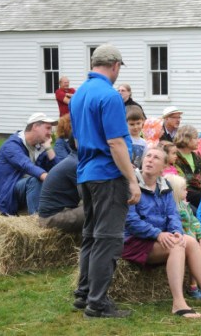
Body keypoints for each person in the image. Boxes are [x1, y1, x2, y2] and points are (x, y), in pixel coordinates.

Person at [69, 43, 141, 318]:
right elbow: (116, 143)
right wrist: (132, 180)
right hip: (107, 174)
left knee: (90, 235)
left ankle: (83, 294)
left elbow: (76, 139)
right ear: (115, 66)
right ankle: (97, 304)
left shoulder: (78, 94)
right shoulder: (110, 96)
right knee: (108, 239)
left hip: (85, 172)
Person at [122, 147, 201, 318]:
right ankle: (178, 303)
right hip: (134, 240)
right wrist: (158, 234)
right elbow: (131, 221)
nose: (149, 160)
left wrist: (176, 231)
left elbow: (173, 214)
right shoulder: (131, 184)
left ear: (163, 166)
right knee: (177, 246)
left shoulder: (165, 185)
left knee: (190, 241)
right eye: (148, 156)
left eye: (156, 158)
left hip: (159, 238)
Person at [0, 112, 60, 215]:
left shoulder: (38, 147)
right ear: (35, 126)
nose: (50, 133)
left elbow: (58, 169)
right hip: (3, 197)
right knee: (36, 180)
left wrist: (48, 147)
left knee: (41, 180)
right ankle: (37, 221)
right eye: (47, 128)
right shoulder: (11, 146)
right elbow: (26, 165)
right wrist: (48, 178)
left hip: (20, 192)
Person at [166, 174, 201, 300]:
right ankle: (193, 286)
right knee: (199, 255)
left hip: (194, 240)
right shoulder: (172, 209)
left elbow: (195, 222)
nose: (187, 191)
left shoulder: (186, 206)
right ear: (175, 191)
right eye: (184, 189)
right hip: (183, 242)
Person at [38, 139, 83, 233]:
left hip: (58, 213)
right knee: (96, 209)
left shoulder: (73, 160)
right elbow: (89, 195)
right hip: (50, 219)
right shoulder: (75, 164)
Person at [173, 124, 201, 209]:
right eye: (196, 138)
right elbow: (180, 181)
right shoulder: (174, 157)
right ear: (186, 139)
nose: (198, 141)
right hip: (185, 193)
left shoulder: (196, 157)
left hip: (199, 191)